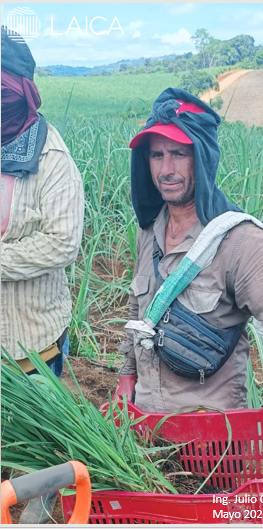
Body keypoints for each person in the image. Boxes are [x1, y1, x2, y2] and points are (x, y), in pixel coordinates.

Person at [118, 87, 263, 487]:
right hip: (146, 431)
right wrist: (126, 378)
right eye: (157, 155)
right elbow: (140, 315)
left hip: (211, 443)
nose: (166, 169)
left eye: (179, 153)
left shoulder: (239, 240)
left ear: (201, 159)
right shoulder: (149, 231)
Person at [1, 27, 84, 523]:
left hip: (33, 336)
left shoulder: (50, 158)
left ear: (23, 92)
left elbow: (61, 242)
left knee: (35, 440)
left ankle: (34, 511)